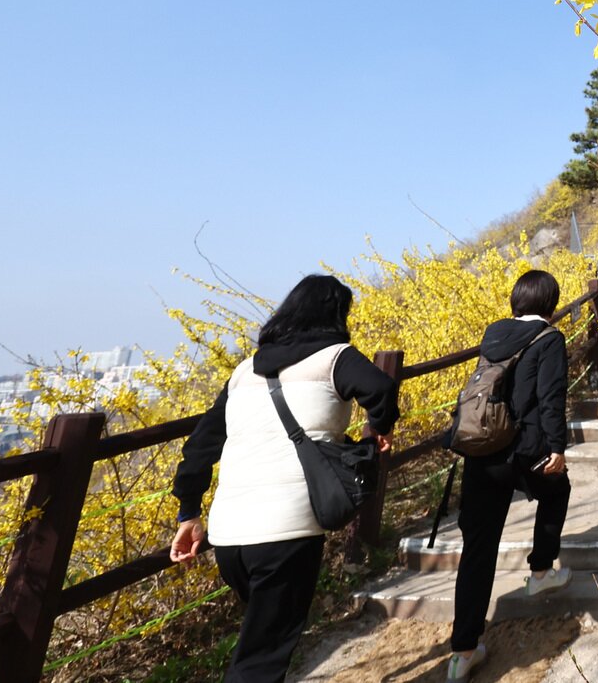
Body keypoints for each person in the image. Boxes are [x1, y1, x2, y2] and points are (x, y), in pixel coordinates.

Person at [168, 274, 399, 683]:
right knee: (260, 661)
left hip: (231, 539)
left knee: (262, 641)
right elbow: (380, 388)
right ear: (336, 314)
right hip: (286, 534)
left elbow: (200, 446)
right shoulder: (335, 358)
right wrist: (378, 429)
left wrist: (189, 512)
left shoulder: (243, 372)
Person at [447, 269, 572, 682]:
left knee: (478, 547)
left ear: (516, 301)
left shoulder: (493, 335)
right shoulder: (549, 338)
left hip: (483, 448)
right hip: (526, 448)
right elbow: (551, 396)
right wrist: (558, 447)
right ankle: (539, 572)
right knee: (558, 489)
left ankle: (463, 651)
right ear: (551, 303)